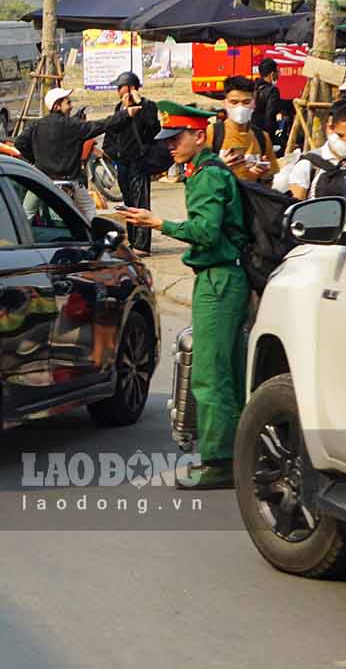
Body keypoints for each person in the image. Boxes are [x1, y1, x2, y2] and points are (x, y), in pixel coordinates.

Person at [119, 102, 249, 491]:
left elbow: (206, 233)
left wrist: (158, 222)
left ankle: (219, 462)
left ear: (199, 136)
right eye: (168, 139)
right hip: (225, 276)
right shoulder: (210, 170)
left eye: (177, 138)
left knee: (210, 375)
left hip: (219, 279)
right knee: (226, 372)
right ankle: (236, 454)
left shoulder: (206, 177)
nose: (171, 146)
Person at [15, 87, 134, 220]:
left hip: (42, 180)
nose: (71, 106)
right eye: (68, 103)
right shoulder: (72, 125)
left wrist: (36, 158)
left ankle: (19, 239)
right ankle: (94, 238)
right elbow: (101, 125)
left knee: (26, 215)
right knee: (89, 209)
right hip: (68, 181)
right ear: (57, 105)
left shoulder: (37, 125)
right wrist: (125, 114)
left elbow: (19, 143)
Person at [101, 71, 161, 253]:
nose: (118, 91)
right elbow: (111, 133)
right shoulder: (119, 108)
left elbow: (153, 129)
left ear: (130, 88)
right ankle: (133, 240)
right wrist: (114, 154)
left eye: (120, 87)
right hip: (124, 163)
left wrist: (139, 103)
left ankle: (142, 245)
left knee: (140, 203)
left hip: (140, 162)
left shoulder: (148, 106)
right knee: (128, 203)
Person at [285, 100, 346, 201]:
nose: (333, 135)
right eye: (331, 128)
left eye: (341, 135)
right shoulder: (309, 164)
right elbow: (295, 206)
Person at [211, 75, 279, 184]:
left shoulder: (262, 137)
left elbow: (270, 181)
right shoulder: (213, 133)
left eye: (246, 102)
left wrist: (264, 174)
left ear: (254, 103)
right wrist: (220, 167)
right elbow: (196, 175)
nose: (240, 107)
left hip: (251, 199)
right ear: (225, 103)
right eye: (234, 102)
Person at [251, 58, 287, 149]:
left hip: (251, 131)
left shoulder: (253, 87)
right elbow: (270, 114)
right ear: (272, 74)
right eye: (277, 72)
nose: (278, 75)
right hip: (264, 133)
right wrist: (270, 137)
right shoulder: (273, 91)